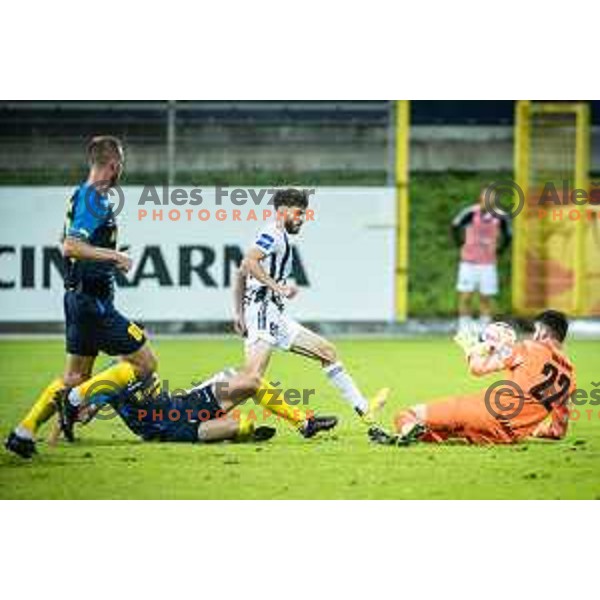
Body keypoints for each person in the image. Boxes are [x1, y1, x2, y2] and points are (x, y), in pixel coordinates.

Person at [5, 136, 157, 458]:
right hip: (93, 304)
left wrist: (102, 256)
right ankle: (74, 402)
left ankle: (25, 431)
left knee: (76, 376)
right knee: (145, 362)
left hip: (79, 299)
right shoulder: (93, 200)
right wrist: (115, 257)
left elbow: (67, 241)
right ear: (114, 165)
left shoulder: (81, 194)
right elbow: (70, 246)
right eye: (122, 164)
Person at [232, 188, 388, 433]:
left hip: (273, 313)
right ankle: (200, 414)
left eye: (304, 214)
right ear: (282, 210)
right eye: (298, 213)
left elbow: (242, 271)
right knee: (252, 379)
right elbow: (249, 262)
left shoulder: (279, 235)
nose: (301, 218)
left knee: (327, 351)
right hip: (263, 311)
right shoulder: (272, 233)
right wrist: (278, 288)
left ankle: (364, 410)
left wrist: (238, 314)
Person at [369, 310, 576, 446]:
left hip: (483, 411)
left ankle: (405, 434)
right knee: (438, 433)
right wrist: (533, 430)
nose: (532, 335)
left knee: (406, 415)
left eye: (535, 331)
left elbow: (478, 369)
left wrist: (473, 349)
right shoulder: (570, 378)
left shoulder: (530, 348)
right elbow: (558, 430)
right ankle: (409, 436)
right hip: (506, 437)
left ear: (541, 332)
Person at [452, 184, 511, 332]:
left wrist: (499, 250)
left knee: (486, 297)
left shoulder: (500, 216)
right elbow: (455, 226)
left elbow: (509, 235)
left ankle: (484, 328)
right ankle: (464, 327)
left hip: (487, 264)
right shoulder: (471, 213)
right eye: (485, 198)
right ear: (481, 198)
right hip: (469, 263)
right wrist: (460, 244)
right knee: (466, 296)